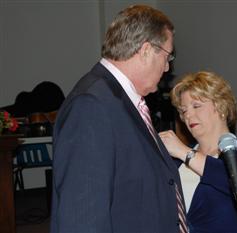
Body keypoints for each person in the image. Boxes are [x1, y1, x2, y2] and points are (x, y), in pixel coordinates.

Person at [50, 5, 187, 233]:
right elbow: (82, 217)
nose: (167, 67)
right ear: (145, 50)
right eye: (167, 55)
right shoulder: (92, 106)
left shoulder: (121, 99)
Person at [159, 71, 237, 233]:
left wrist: (185, 152)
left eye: (196, 106)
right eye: (184, 110)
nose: (188, 115)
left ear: (221, 106)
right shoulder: (176, 161)